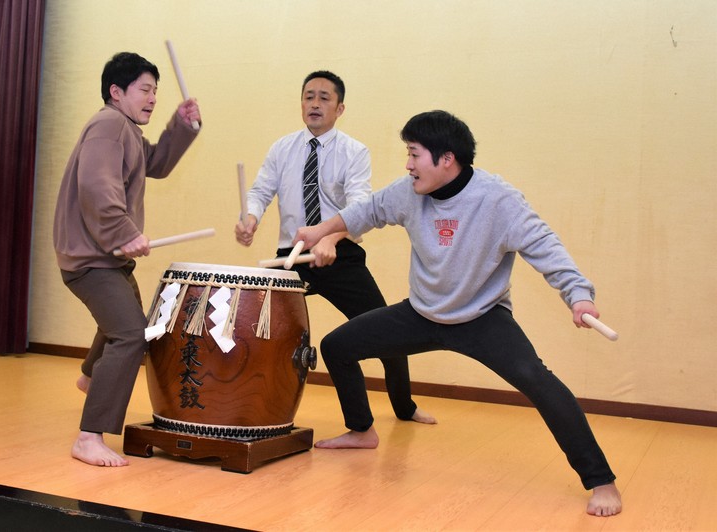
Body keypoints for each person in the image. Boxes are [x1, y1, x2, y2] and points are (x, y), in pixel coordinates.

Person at [293, 110, 622, 516]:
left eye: (414, 154)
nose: (408, 164)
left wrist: (579, 295)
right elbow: (368, 211)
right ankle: (361, 431)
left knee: (541, 383)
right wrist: (319, 231)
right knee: (337, 346)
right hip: (422, 313)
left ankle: (601, 481)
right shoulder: (409, 192)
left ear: (446, 159)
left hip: (481, 318)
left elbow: (544, 246)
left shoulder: (497, 199)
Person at [235, 71, 434, 425]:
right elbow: (261, 190)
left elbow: (359, 205)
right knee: (252, 321)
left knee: (385, 329)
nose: (314, 103)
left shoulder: (354, 151)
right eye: (308, 96)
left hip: (339, 253)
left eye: (324, 98)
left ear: (340, 108)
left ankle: (404, 406)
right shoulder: (282, 148)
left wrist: (330, 238)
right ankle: (251, 400)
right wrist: (250, 218)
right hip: (291, 257)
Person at [53, 52, 201, 467]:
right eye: (145, 89)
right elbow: (97, 189)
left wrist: (181, 126)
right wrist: (126, 234)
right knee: (131, 334)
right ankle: (88, 437)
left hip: (104, 256)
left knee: (127, 320)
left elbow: (156, 163)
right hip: (90, 258)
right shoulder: (108, 124)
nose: (152, 97)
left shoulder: (126, 130)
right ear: (116, 92)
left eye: (156, 90)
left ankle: (90, 377)